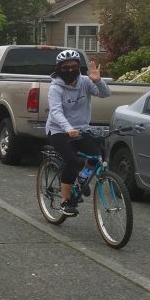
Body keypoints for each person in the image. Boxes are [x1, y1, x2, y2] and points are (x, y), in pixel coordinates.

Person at [45, 49, 110, 216]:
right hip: (58, 130)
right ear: (58, 68)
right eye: (65, 67)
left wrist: (98, 81)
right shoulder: (55, 87)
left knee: (95, 158)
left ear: (79, 67)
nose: (70, 70)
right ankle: (65, 201)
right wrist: (68, 128)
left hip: (81, 128)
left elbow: (105, 94)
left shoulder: (85, 81)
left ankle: (80, 181)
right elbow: (56, 111)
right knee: (72, 161)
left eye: (73, 66)